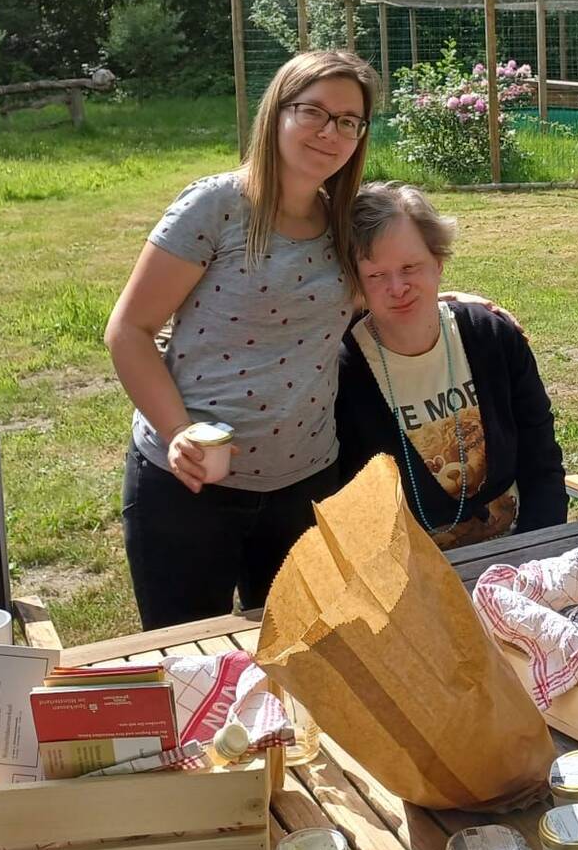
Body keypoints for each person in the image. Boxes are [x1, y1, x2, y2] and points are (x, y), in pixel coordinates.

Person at [107, 50, 378, 627]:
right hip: (190, 487)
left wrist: (452, 303)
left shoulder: (345, 222)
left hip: (305, 483)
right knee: (187, 660)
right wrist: (179, 431)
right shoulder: (217, 206)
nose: (331, 132)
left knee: (296, 661)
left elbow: (367, 303)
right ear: (276, 112)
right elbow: (129, 331)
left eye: (349, 121)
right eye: (314, 112)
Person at [335, 182, 568, 549]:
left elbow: (542, 466)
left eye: (410, 266)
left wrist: (534, 555)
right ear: (356, 283)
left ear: (438, 262)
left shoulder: (492, 337)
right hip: (412, 577)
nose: (397, 287)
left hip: (520, 554)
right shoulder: (343, 372)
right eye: (376, 275)